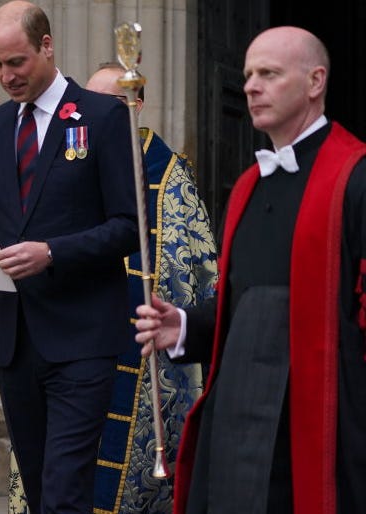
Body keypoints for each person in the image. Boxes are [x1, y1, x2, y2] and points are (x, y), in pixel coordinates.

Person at [135, 27, 366, 513]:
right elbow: (241, 301)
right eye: (247, 75)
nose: (251, 87)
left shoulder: (355, 176)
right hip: (237, 418)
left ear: (314, 81)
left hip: (314, 423)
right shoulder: (246, 185)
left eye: (269, 74)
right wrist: (185, 325)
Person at [0, 2, 138, 513]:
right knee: (36, 490)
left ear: (47, 46)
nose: (6, 76)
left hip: (83, 339)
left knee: (64, 491)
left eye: (17, 62)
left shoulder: (103, 116)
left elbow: (128, 226)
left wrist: (53, 252)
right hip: (16, 342)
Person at [8, 63, 219, 513]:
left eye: (112, 102)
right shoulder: (60, 155)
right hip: (69, 333)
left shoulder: (169, 173)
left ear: (136, 105)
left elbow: (196, 265)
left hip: (139, 346)